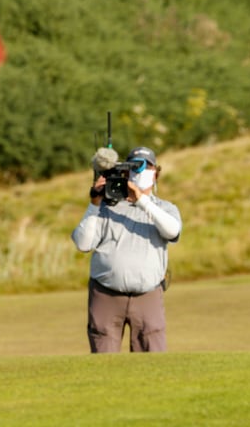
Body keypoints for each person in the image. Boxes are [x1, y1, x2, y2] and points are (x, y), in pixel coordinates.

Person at [72, 146, 182, 353]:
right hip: (106, 294)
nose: (140, 172)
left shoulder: (165, 208)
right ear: (124, 172)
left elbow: (172, 230)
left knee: (152, 360)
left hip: (148, 295)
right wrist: (94, 203)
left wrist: (141, 200)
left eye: (146, 167)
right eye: (134, 167)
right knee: (103, 360)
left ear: (155, 174)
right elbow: (83, 244)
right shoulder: (105, 207)